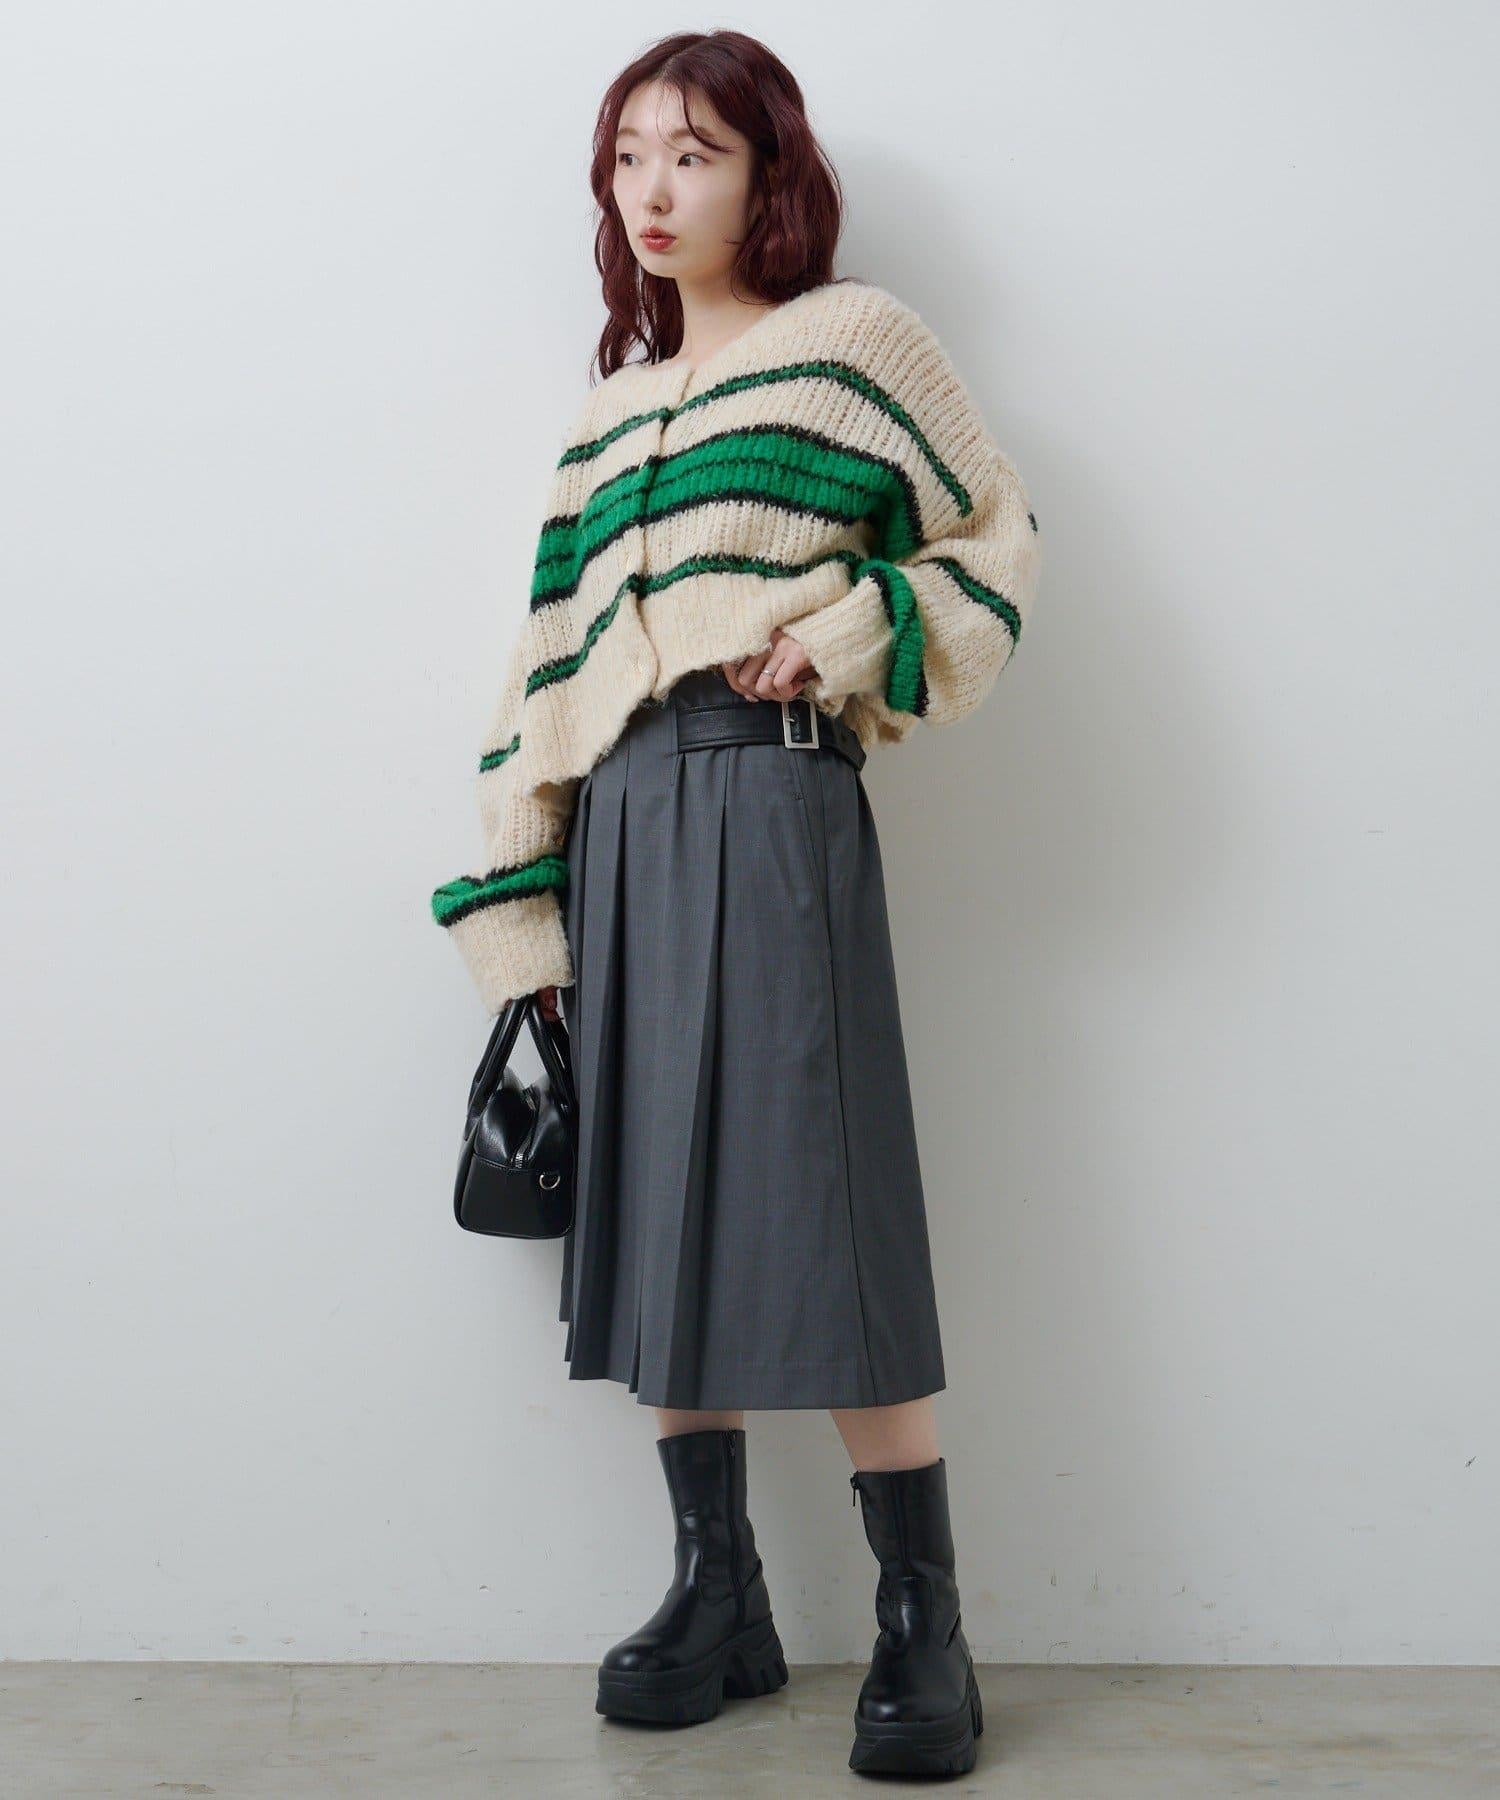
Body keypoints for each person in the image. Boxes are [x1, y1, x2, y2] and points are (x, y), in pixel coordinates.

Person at [429, 28, 1040, 1780]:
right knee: (655, 1208)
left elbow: (992, 542)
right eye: (628, 156)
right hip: (619, 823)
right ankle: (720, 1594)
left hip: (775, 793)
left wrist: (848, 635)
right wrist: (522, 930)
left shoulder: (856, 346)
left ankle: (925, 1621)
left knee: (825, 1196)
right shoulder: (603, 421)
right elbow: (541, 678)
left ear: (771, 173)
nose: (654, 188)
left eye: (693, 152)